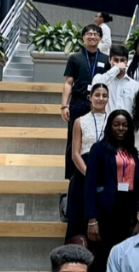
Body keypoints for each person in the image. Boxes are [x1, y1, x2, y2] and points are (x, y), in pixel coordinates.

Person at [85, 109, 139, 272]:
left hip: (126, 215)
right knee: (105, 264)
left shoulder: (132, 152)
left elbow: (135, 186)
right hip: (105, 214)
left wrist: (137, 220)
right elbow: (90, 185)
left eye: (125, 125)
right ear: (110, 126)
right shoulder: (99, 149)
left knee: (123, 264)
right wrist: (92, 219)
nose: (121, 128)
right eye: (116, 124)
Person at [62, 25, 109, 179]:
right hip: (79, 102)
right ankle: (72, 177)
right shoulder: (75, 58)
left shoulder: (105, 59)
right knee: (73, 139)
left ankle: (99, 173)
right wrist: (64, 105)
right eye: (89, 33)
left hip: (100, 103)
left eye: (96, 34)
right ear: (83, 38)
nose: (92, 36)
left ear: (100, 38)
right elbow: (68, 82)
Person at [66, 84, 109, 241]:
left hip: (106, 172)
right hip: (83, 170)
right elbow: (75, 153)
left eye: (104, 95)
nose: (100, 98)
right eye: (97, 95)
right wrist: (89, 174)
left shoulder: (113, 120)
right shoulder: (80, 121)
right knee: (78, 216)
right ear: (90, 97)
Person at [92, 44, 139, 115]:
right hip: (105, 124)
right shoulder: (99, 78)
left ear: (127, 61)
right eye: (115, 60)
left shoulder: (135, 86)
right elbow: (97, 88)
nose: (119, 64)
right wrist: (116, 69)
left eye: (122, 60)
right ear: (109, 60)